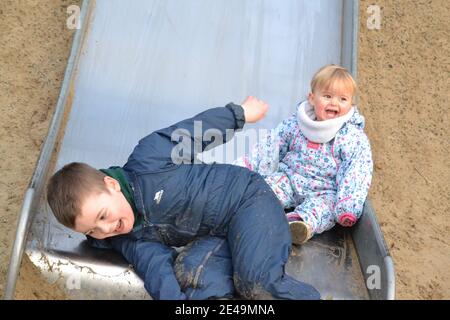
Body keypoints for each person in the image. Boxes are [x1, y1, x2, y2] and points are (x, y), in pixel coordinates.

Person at [46, 96, 321, 300]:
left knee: (255, 283)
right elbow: (155, 268)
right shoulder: (126, 237)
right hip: (217, 236)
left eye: (102, 216)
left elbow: (193, 132)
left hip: (248, 202)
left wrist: (239, 115)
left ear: (111, 185)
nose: (106, 229)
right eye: (93, 230)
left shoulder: (148, 159)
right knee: (195, 279)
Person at [234, 65, 373, 245]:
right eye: (327, 96)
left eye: (343, 99)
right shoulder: (297, 123)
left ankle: (298, 224)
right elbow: (271, 146)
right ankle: (249, 210)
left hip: (324, 190)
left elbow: (356, 170)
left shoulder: (352, 137)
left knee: (323, 209)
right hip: (290, 179)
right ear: (312, 98)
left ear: (351, 104)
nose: (334, 103)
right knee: (264, 190)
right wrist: (244, 169)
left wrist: (348, 203)